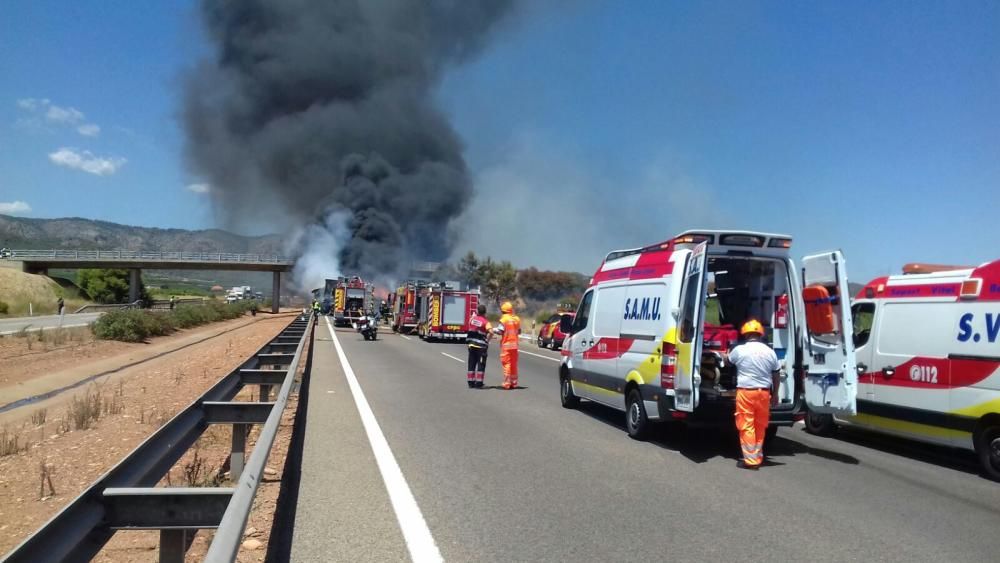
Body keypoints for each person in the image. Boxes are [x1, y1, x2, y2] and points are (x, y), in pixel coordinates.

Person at [726, 319, 780, 470]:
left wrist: (724, 355)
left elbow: (728, 362)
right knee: (760, 426)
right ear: (761, 334)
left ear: (745, 334)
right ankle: (756, 456)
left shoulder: (740, 350)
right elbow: (776, 374)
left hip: (746, 393)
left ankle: (750, 460)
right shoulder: (770, 352)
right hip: (764, 393)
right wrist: (775, 394)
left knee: (746, 425)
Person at [491, 301, 521, 390]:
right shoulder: (516, 319)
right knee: (513, 364)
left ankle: (507, 383)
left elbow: (500, 331)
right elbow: (519, 331)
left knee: (507, 364)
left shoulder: (504, 319)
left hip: (506, 345)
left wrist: (492, 329)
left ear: (503, 311)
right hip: (515, 345)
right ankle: (514, 383)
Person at [466, 304, 492, 388]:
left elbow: (470, 323)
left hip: (471, 345)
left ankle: (470, 382)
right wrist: (487, 340)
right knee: (481, 365)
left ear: (477, 311)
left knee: (471, 364)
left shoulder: (472, 319)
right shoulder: (486, 322)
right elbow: (491, 332)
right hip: (481, 347)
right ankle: (479, 383)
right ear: (485, 312)